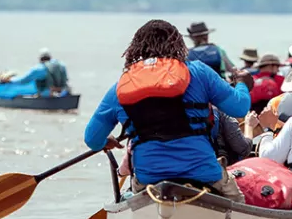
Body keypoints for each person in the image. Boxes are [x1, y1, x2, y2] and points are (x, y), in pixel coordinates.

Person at [84, 19, 253, 201]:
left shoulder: (120, 87)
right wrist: (242, 84)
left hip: (149, 179)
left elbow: (92, 140)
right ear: (178, 45)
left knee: (128, 195)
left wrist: (104, 141)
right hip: (204, 174)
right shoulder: (199, 72)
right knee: (238, 201)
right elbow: (240, 108)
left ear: (135, 49)